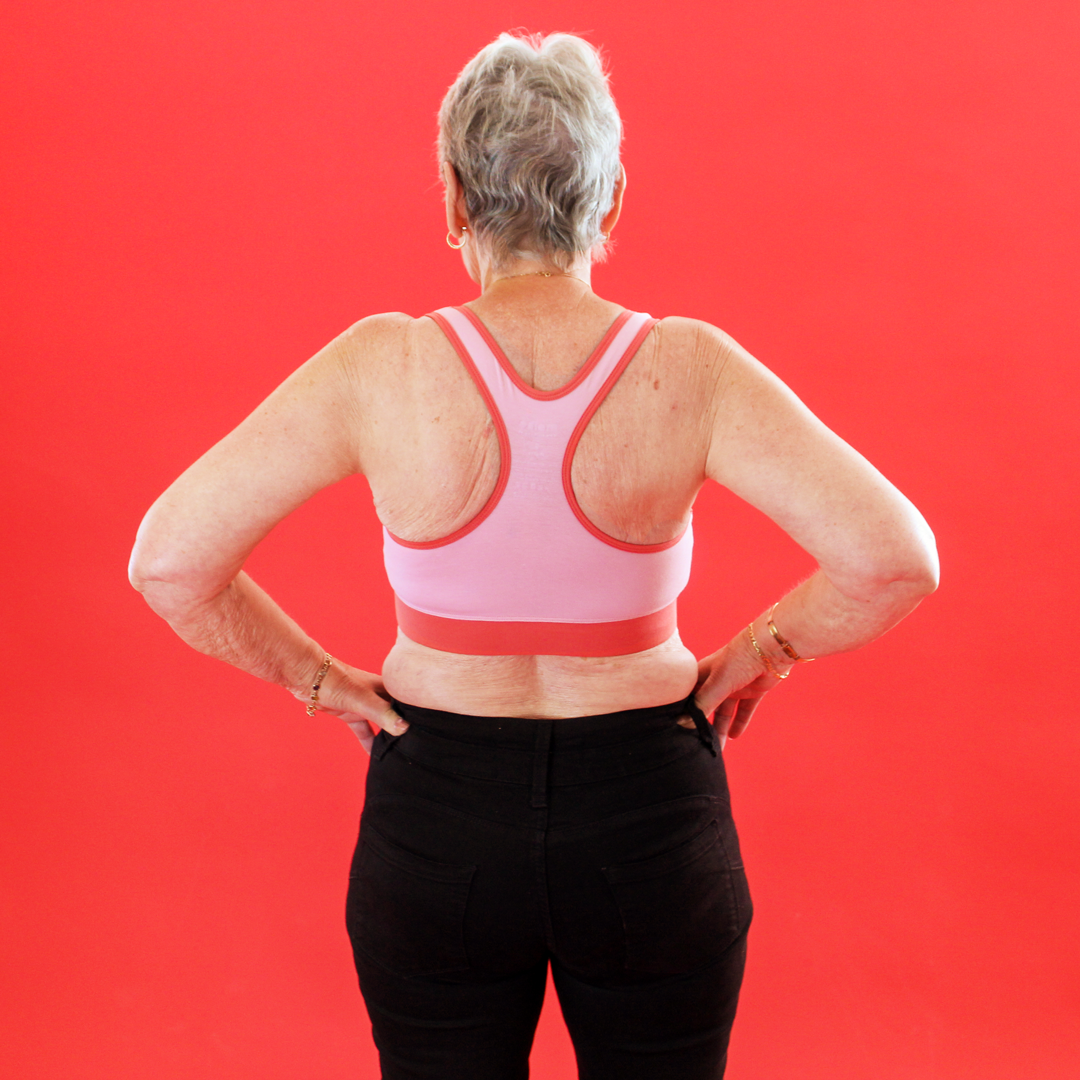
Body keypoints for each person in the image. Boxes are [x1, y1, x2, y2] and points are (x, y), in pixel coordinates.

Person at [129, 31, 938, 1080]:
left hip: (438, 817)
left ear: (456, 206)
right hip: (646, 812)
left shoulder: (382, 366)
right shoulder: (687, 368)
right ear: (609, 202)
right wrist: (766, 649)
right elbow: (894, 558)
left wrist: (317, 681)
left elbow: (168, 563)